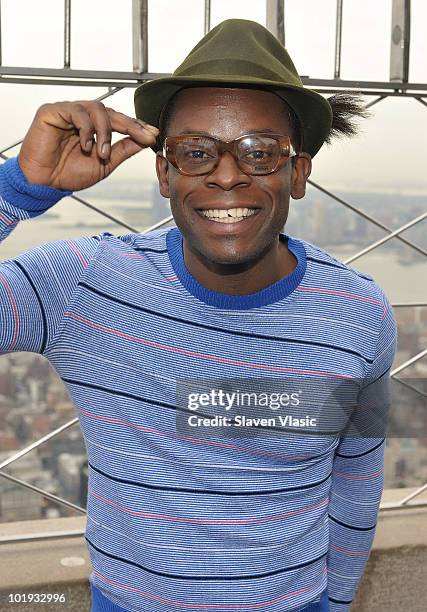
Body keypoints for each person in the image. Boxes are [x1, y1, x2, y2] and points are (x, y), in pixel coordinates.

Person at [0, 19, 397, 612]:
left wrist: (335, 604)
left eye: (261, 152)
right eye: (195, 151)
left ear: (299, 173)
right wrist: (19, 188)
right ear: (164, 172)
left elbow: (355, 481)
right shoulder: (81, 283)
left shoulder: (359, 313)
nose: (228, 174)